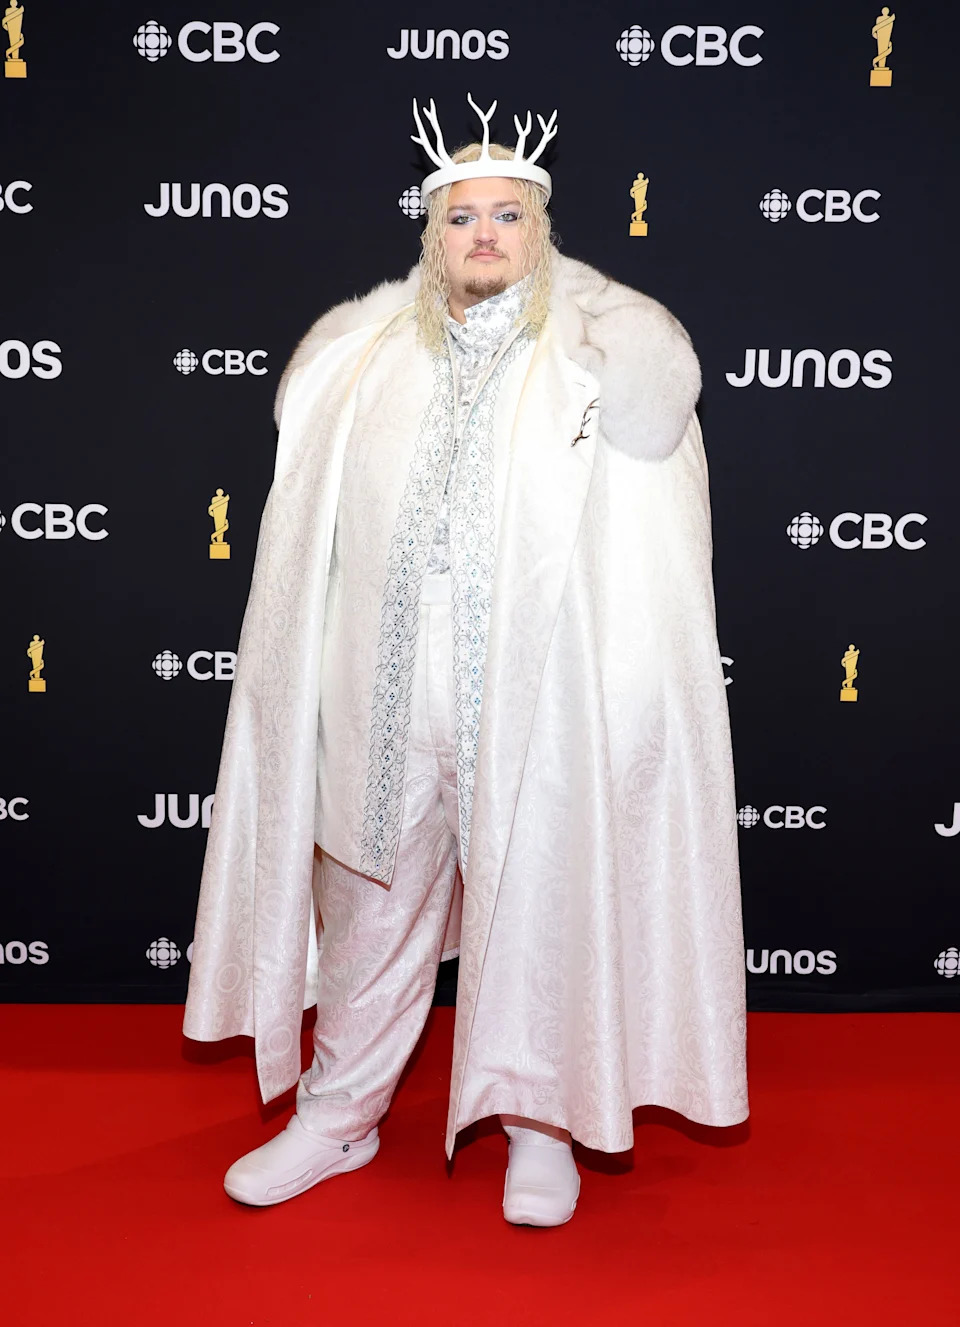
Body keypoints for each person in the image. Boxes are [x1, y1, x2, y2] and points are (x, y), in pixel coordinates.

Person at [183, 93, 749, 1227]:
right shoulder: (359, 367)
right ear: (429, 234)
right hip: (384, 697)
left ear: (543, 231)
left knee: (541, 903)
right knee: (369, 916)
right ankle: (337, 1117)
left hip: (535, 702)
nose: (483, 235)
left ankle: (544, 1130)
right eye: (460, 218)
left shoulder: (599, 370)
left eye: (507, 215)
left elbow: (649, 565)